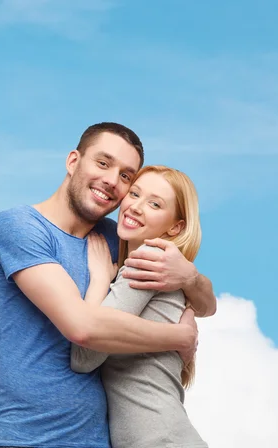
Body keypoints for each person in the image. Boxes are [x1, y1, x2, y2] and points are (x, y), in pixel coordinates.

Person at [0, 122, 216, 448]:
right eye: (103, 163)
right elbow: (83, 329)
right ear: (73, 161)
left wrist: (190, 277)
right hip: (29, 436)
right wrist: (179, 336)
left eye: (125, 176)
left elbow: (205, 305)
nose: (111, 181)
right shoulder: (20, 227)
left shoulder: (116, 237)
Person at [71, 165, 208, 448]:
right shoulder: (158, 267)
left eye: (155, 204)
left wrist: (98, 279)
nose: (135, 207)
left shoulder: (148, 262)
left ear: (175, 227)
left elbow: (84, 357)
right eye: (134, 194)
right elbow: (208, 304)